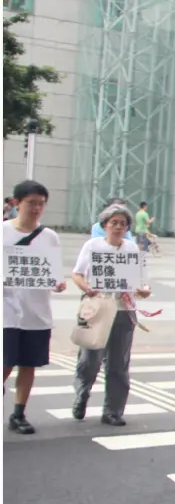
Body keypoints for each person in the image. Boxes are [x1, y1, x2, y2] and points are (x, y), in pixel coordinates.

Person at [71, 204, 150, 426]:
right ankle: (82, 394)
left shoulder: (132, 249)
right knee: (89, 359)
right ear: (104, 224)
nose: (118, 227)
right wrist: (87, 288)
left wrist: (143, 290)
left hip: (124, 310)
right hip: (97, 308)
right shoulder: (93, 246)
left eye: (122, 224)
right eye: (113, 223)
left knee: (118, 363)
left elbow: (142, 281)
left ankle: (113, 410)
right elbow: (77, 274)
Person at [3, 180, 66, 434]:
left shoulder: (49, 237)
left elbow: (54, 273)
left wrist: (58, 284)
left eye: (41, 204)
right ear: (16, 203)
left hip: (36, 313)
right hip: (6, 312)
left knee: (28, 364)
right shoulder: (3, 232)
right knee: (5, 363)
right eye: (31, 203)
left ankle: (19, 413)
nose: (37, 208)